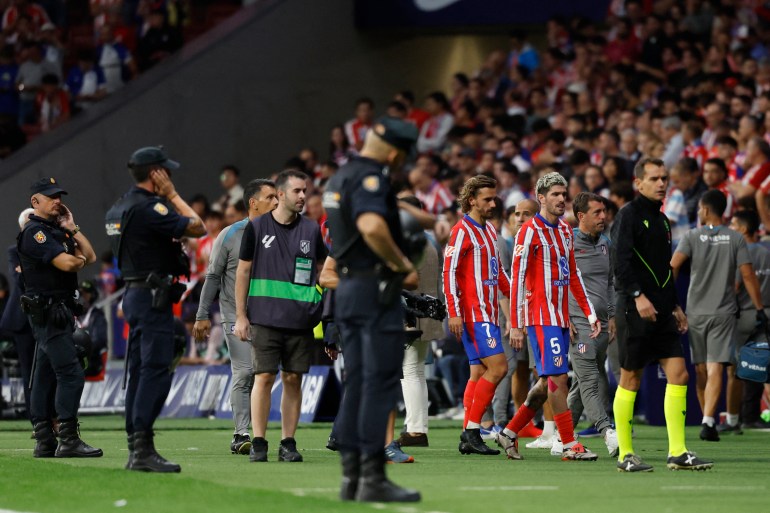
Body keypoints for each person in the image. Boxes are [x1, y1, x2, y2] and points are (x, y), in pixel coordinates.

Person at [323, 116, 421, 503]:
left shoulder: (338, 177)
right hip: (372, 289)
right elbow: (372, 226)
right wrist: (401, 265)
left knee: (359, 384)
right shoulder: (371, 178)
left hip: (347, 289)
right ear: (395, 153)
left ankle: (352, 478)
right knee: (379, 385)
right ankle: (372, 478)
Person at [105, 146, 205, 472]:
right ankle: (143, 448)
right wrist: (173, 194)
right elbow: (197, 227)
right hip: (151, 297)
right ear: (155, 174)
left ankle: (137, 445)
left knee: (139, 369)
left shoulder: (119, 207)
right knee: (156, 368)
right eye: (166, 171)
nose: (170, 176)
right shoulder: (150, 207)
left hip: (135, 293)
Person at [611, 156, 713, 472]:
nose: (661, 184)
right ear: (638, 183)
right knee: (631, 377)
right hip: (634, 309)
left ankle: (678, 452)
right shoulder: (627, 216)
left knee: (679, 374)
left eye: (664, 178)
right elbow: (621, 264)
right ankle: (625, 454)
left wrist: (674, 306)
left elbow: (664, 270)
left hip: (663, 310)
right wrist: (638, 297)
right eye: (654, 178)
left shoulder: (663, 220)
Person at [494, 172, 601, 462]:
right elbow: (515, 278)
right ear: (541, 198)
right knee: (558, 380)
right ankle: (568, 443)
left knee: (546, 384)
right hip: (540, 318)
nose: (560, 199)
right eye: (554, 194)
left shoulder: (566, 230)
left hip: (561, 318)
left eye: (563, 194)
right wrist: (515, 324)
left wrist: (588, 313)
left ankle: (509, 432)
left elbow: (574, 276)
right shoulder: (528, 231)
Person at [234, 169, 327, 463]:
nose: (303, 196)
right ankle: (259, 441)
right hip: (263, 318)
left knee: (292, 380)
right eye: (297, 191)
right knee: (263, 377)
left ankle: (288, 442)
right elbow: (243, 271)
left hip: (300, 320)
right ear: (281, 194)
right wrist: (240, 316)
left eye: (305, 191)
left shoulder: (312, 230)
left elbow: (326, 267)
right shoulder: (257, 227)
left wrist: (318, 297)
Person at [670, 190, 765, 442]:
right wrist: (758, 308)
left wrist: (671, 302)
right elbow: (747, 275)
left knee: (702, 369)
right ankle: (708, 419)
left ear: (704, 209)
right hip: (723, 311)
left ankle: (708, 419)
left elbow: (673, 266)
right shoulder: (735, 238)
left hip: (696, 312)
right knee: (713, 369)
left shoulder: (691, 236)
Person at [192, 179, 278, 455]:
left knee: (269, 375)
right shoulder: (230, 235)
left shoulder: (283, 234)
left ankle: (276, 436)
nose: (277, 202)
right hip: (235, 315)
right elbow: (213, 275)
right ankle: (241, 434)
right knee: (244, 372)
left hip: (272, 317)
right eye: (271, 197)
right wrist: (202, 314)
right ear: (254, 203)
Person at [18, 177, 101, 458]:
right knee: (71, 374)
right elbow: (68, 262)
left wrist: (72, 228)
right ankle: (67, 437)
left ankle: (44, 438)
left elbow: (89, 256)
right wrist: (74, 259)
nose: (58, 201)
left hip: (60, 311)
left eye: (59, 196)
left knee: (43, 374)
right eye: (51, 196)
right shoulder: (35, 233)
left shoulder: (57, 231)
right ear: (35, 202)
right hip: (49, 312)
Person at [442, 175, 510, 456]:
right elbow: (449, 273)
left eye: (494, 198)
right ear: (472, 200)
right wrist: (454, 313)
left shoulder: (489, 230)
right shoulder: (461, 231)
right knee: (499, 368)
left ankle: (466, 433)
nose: (492, 203)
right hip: (473, 314)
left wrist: (520, 294)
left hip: (489, 312)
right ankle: (473, 430)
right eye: (487, 199)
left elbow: (498, 273)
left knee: (479, 372)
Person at [566, 192, 618, 457]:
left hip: (602, 325)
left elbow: (610, 282)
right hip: (579, 322)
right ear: (581, 216)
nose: (603, 217)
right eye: (597, 212)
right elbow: (558, 282)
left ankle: (563, 437)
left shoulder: (606, 243)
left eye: (604, 211)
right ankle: (607, 430)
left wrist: (612, 316)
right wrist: (564, 314)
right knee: (590, 379)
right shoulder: (568, 243)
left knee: (581, 383)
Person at [726, 210, 770, 431]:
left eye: (733, 225)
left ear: (743, 229)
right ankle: (751, 415)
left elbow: (734, 287)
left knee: (736, 367)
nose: (730, 229)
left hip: (743, 314)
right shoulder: (767, 252)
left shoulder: (739, 255)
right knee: (760, 364)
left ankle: (736, 418)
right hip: (766, 314)